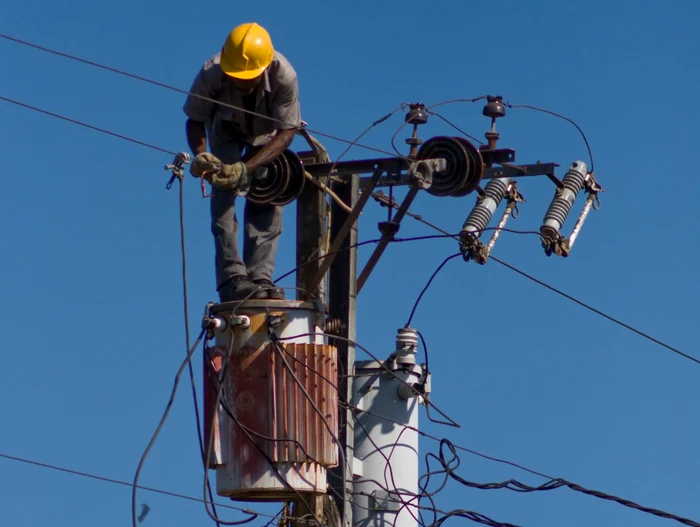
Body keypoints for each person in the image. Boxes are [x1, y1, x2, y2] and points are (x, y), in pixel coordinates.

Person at [183, 22, 301, 302]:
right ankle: (232, 279)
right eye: (234, 75)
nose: (239, 81)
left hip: (267, 137)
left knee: (269, 194)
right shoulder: (212, 72)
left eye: (246, 77)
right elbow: (195, 120)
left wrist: (247, 169)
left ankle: (260, 277)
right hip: (226, 130)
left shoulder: (284, 76)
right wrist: (202, 155)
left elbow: (287, 132)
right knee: (223, 197)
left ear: (263, 69)